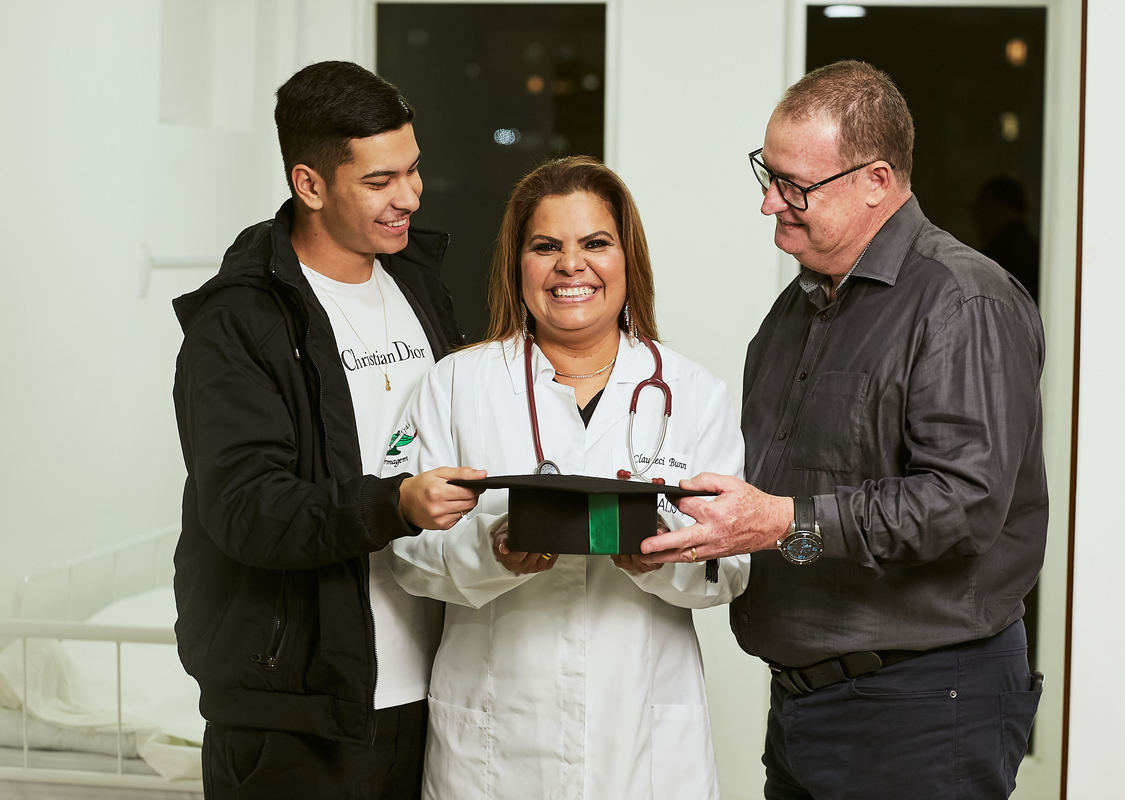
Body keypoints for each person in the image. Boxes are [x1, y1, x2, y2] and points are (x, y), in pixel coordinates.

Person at [641, 60, 1047, 799]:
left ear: (877, 181)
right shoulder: (795, 312)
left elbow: (964, 506)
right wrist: (695, 532)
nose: (769, 202)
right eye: (768, 175)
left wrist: (778, 520)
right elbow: (803, 521)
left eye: (794, 185)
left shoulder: (963, 302)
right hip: (805, 706)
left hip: (921, 711)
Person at [388, 156, 750, 799]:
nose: (570, 265)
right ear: (518, 264)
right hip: (496, 745)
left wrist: (662, 557)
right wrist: (492, 554)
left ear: (628, 260)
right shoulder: (455, 385)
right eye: (546, 246)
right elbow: (406, 553)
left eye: (595, 243)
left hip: (643, 742)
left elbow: (733, 567)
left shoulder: (695, 394)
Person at [171, 60, 483, 799]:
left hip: (433, 692)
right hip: (297, 714)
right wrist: (394, 503)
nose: (409, 196)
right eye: (379, 181)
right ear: (309, 185)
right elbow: (246, 509)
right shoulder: (238, 323)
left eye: (413, 169)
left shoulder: (419, 284)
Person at [971, 174, 1041, 304]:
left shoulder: (993, 259)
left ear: (998, 206)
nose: (976, 216)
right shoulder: (1038, 253)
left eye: (981, 206)